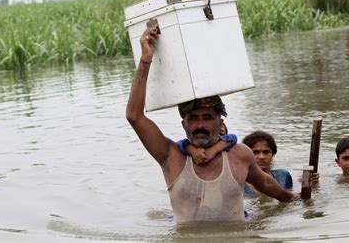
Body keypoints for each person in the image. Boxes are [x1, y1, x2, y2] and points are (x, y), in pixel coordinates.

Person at [126, 26, 298, 223]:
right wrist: (146, 59)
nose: (200, 125)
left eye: (207, 118)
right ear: (184, 125)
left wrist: (293, 199)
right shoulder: (170, 155)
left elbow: (266, 183)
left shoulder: (240, 154)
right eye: (193, 119)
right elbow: (134, 116)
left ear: (220, 122)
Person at [242, 131, 293, 197]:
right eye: (255, 152)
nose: (261, 157)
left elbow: (293, 200)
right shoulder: (238, 184)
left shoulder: (283, 176)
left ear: (273, 154)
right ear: (246, 155)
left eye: (266, 152)